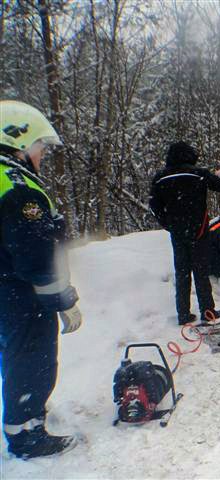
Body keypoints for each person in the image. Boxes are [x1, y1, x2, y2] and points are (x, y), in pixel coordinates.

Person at [0, 100, 82, 458]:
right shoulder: (19, 189)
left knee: (16, 357)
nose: (42, 155)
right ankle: (27, 434)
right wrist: (65, 301)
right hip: (21, 296)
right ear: (19, 141)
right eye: (39, 147)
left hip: (6, 290)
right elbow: (38, 257)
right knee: (32, 360)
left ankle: (23, 424)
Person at [149, 142, 220, 325]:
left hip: (177, 233)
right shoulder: (198, 174)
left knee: (182, 273)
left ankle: (183, 315)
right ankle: (207, 311)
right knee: (201, 272)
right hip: (199, 230)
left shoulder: (160, 178)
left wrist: (169, 224)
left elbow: (154, 207)